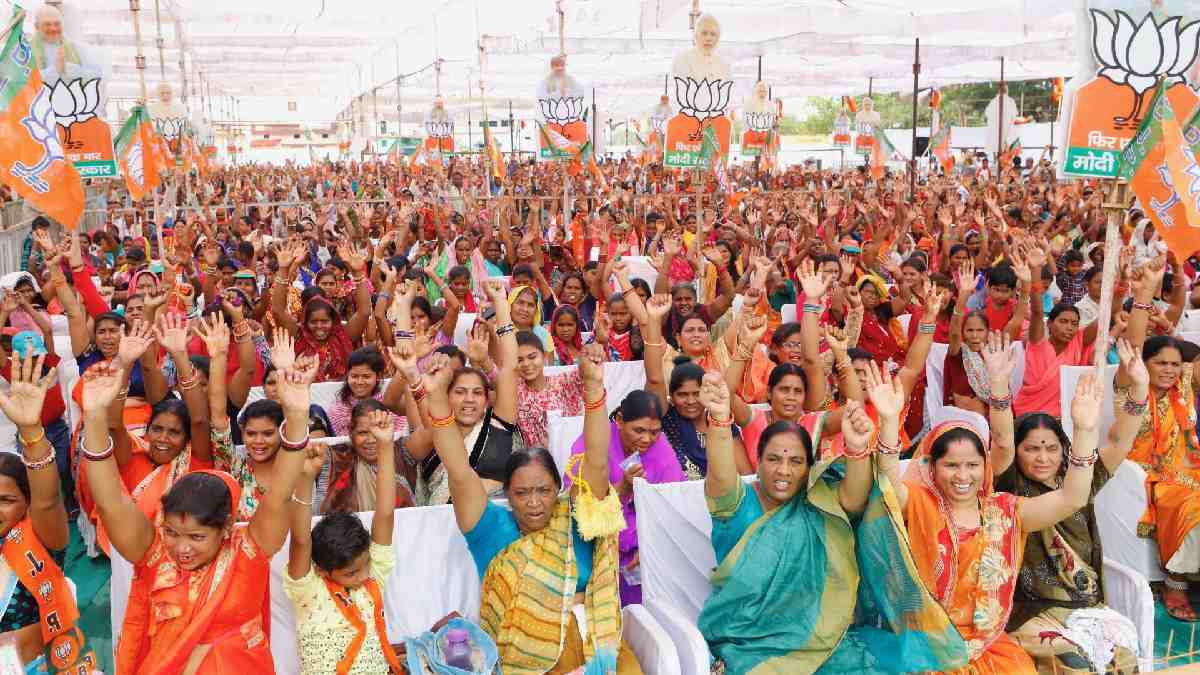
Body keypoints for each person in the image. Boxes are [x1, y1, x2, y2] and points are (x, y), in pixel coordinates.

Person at [695, 371, 966, 673]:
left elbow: (855, 499)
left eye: (796, 461)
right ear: (756, 462)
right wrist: (719, 418)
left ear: (809, 467)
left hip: (822, 640)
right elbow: (719, 474)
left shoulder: (818, 503)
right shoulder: (734, 502)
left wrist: (857, 448)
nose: (783, 470)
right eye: (773, 459)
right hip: (749, 641)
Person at [80, 355, 315, 674]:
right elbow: (111, 503)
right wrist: (94, 416)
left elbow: (279, 496)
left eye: (197, 537)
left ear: (227, 527)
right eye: (172, 532)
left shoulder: (247, 551)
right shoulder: (153, 555)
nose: (182, 548)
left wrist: (298, 415)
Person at [876, 354, 1105, 674]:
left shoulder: (1006, 511)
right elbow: (886, 483)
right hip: (927, 646)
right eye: (951, 465)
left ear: (986, 467)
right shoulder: (919, 504)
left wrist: (1084, 430)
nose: (963, 476)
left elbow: (1073, 497)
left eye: (972, 465)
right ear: (931, 467)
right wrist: (888, 424)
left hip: (989, 645)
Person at [429, 339, 643, 673]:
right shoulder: (489, 528)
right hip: (530, 661)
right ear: (507, 495)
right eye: (522, 493)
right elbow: (458, 470)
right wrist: (437, 397)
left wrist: (593, 386)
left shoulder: (574, 517)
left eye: (543, 491)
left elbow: (598, 464)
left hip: (599, 641)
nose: (533, 503)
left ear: (559, 489)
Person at [988, 331, 1145, 673]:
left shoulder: (1080, 479)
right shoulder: (1010, 486)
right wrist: (999, 386)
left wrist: (1141, 388)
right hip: (1029, 609)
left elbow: (1120, 439)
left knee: (1124, 659)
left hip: (1085, 604)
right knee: (1076, 662)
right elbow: (1000, 438)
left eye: (1051, 448)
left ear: (1064, 451)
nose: (1042, 457)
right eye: (1031, 448)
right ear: (1017, 453)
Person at [0, 352, 98, 673]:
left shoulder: (39, 538)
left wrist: (31, 432)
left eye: (5, 500)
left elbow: (47, 500)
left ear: (26, 504)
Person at [285, 408, 403, 674]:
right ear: (321, 570)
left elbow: (385, 514)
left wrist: (385, 446)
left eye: (364, 566)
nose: (362, 576)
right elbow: (301, 539)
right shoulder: (308, 590)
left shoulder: (373, 577)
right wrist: (305, 478)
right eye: (351, 573)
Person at [401, 280, 519, 505]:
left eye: (477, 393)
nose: (469, 400)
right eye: (460, 392)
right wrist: (412, 364)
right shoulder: (435, 430)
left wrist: (502, 304)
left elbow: (511, 367)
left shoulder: (499, 425)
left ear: (487, 400)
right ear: (447, 396)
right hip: (440, 531)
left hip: (495, 529)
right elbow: (414, 382)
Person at [321, 398, 415, 513]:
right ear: (351, 432)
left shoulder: (401, 450)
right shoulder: (336, 458)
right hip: (345, 530)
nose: (371, 440)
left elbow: (431, 430)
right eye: (363, 433)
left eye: (379, 430)